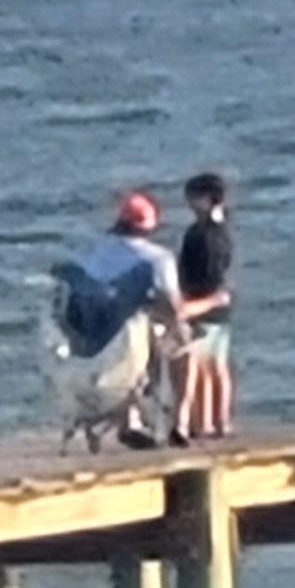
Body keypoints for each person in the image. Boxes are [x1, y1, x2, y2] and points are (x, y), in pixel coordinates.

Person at [50, 191, 187, 448]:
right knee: (176, 344)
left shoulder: (96, 251)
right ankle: (176, 422)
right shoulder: (157, 258)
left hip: (93, 333)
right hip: (133, 332)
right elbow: (174, 307)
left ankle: (129, 420)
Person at [174, 170, 235, 440]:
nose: (189, 203)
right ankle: (221, 421)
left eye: (193, 198)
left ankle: (203, 422)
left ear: (207, 200)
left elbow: (193, 273)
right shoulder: (224, 233)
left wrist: (186, 300)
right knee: (217, 365)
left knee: (199, 368)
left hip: (200, 303)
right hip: (221, 305)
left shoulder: (198, 234)